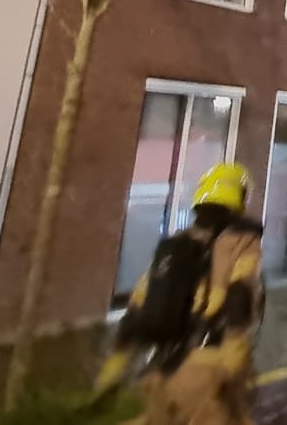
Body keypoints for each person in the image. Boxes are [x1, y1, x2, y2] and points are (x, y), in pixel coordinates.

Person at [95, 163, 264, 425]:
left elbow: (137, 310)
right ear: (239, 196)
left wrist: (111, 374)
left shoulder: (175, 247)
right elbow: (239, 298)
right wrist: (233, 361)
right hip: (205, 371)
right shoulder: (243, 242)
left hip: (159, 374)